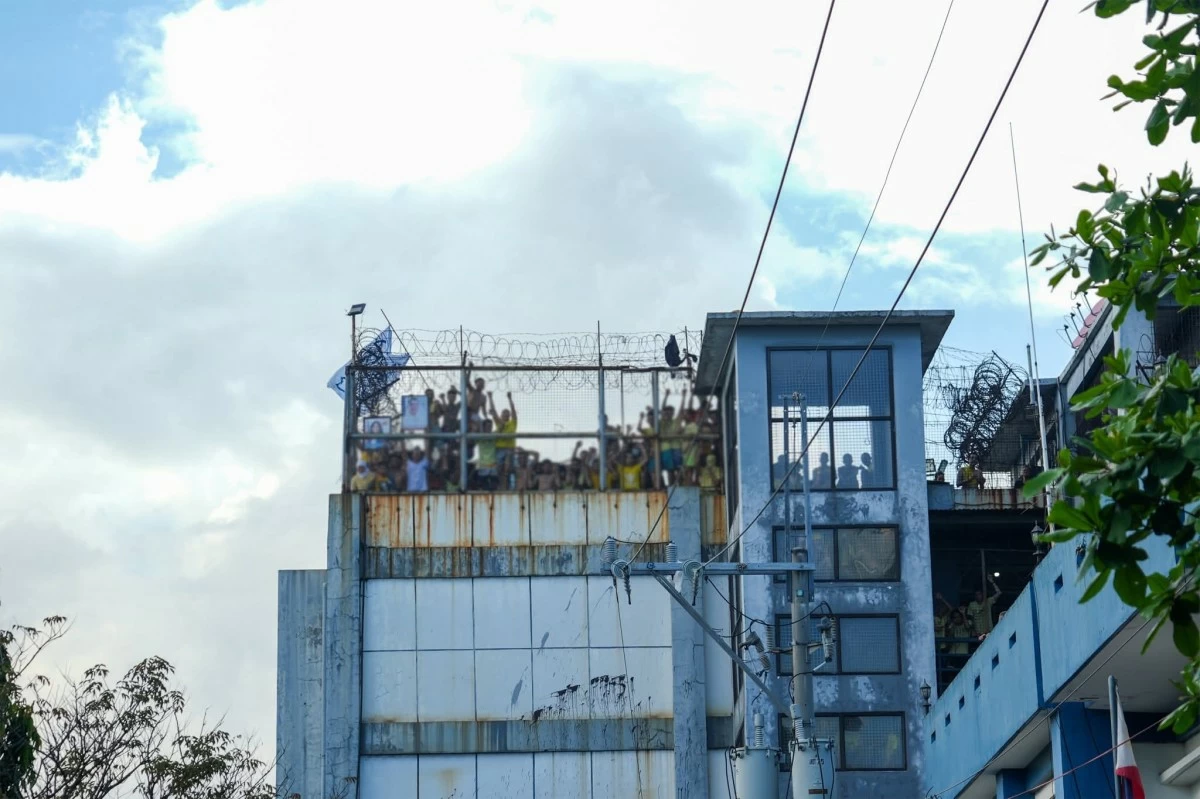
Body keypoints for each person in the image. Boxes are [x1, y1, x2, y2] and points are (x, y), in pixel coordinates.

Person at [473, 419, 499, 490]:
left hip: (493, 466)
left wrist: (493, 413)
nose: (489, 428)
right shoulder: (480, 437)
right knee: (483, 487)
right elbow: (473, 436)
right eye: (487, 426)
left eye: (490, 426)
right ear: (483, 427)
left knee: (494, 488)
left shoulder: (494, 435)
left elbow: (501, 426)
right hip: (483, 466)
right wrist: (477, 426)